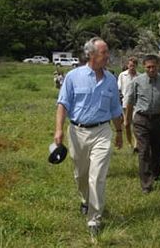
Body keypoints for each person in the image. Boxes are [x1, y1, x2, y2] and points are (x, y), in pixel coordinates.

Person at [54, 37, 123, 236]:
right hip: (77, 132)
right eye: (104, 53)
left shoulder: (111, 79)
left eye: (107, 52)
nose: (108, 56)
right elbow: (63, 104)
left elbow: (115, 109)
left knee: (97, 177)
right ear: (91, 55)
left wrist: (119, 132)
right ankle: (85, 200)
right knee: (81, 175)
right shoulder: (73, 76)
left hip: (102, 131)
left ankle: (94, 219)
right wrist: (58, 129)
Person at [125, 54, 160, 194]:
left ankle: (155, 173)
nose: (151, 69)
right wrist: (127, 120)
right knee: (144, 150)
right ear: (144, 67)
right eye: (148, 67)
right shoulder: (137, 82)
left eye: (154, 67)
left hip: (158, 119)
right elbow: (130, 102)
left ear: (158, 66)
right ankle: (146, 184)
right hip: (141, 120)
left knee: (157, 151)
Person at [118, 56, 140, 153]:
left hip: (137, 103)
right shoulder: (122, 75)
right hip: (125, 102)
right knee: (126, 124)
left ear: (136, 66)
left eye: (133, 66)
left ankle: (136, 144)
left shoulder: (140, 76)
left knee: (136, 123)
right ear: (128, 65)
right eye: (130, 65)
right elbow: (119, 88)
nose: (132, 67)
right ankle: (129, 142)